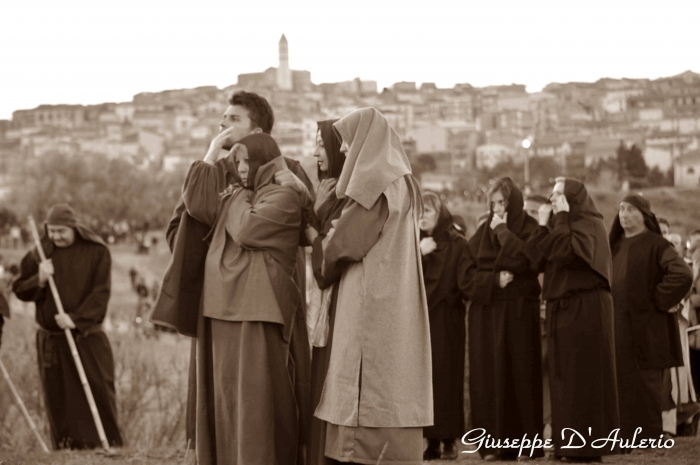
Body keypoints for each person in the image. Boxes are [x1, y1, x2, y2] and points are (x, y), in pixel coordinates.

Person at [150, 91, 314, 457]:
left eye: (233, 119)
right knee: (222, 392)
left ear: (257, 129)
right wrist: (210, 155)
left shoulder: (288, 170)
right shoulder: (215, 172)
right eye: (222, 118)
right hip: (221, 298)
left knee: (267, 390)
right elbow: (186, 220)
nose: (223, 124)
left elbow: (296, 224)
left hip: (266, 298)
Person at [311, 108, 432, 465]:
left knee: (367, 393)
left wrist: (321, 239)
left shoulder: (375, 182)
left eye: (348, 142)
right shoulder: (403, 180)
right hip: (394, 302)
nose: (344, 151)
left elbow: (342, 243)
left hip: (371, 305)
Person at [181, 133, 308, 464]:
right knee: (226, 403)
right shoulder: (241, 195)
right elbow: (196, 204)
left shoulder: (284, 196)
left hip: (258, 311)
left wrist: (234, 195)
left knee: (256, 405)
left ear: (267, 160)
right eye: (236, 162)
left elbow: (248, 229)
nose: (240, 169)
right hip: (222, 309)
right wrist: (210, 154)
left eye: (247, 161)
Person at [12, 204, 123, 450]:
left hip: (87, 339)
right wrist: (39, 279)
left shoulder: (97, 252)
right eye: (51, 231)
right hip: (52, 343)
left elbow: (100, 294)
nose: (56, 237)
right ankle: (65, 449)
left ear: (74, 228)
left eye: (61, 231)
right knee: (59, 399)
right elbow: (19, 288)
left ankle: (105, 446)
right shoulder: (40, 252)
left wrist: (75, 318)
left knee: (97, 393)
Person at [524, 178, 618, 463]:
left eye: (559, 195)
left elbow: (566, 253)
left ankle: (586, 447)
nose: (553, 200)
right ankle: (567, 445)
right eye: (551, 195)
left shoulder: (590, 224)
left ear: (573, 198)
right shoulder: (558, 224)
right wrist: (542, 224)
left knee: (582, 378)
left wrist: (561, 217)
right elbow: (533, 259)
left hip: (586, 307)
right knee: (563, 378)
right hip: (562, 308)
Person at [467, 177, 543, 462]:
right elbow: (465, 275)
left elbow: (526, 261)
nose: (498, 210)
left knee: (520, 377)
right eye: (494, 204)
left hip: (520, 315)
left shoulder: (530, 230)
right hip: (488, 315)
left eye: (503, 203)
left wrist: (501, 232)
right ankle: (493, 445)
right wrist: (492, 281)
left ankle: (526, 444)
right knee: (490, 379)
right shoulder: (481, 235)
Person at [609, 194, 692, 445]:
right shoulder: (616, 245)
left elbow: (682, 274)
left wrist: (658, 299)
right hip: (619, 325)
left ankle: (648, 438)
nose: (623, 214)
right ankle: (624, 437)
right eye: (621, 209)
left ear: (644, 215)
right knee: (621, 381)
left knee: (646, 383)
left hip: (647, 327)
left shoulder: (657, 244)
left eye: (630, 209)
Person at [304, 119, 348, 465]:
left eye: (322, 145)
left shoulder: (346, 198)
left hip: (336, 309)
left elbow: (329, 263)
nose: (316, 152)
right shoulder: (325, 193)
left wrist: (314, 229)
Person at [417, 191, 471, 461]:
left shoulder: (456, 243)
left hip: (447, 321)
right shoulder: (413, 243)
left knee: (447, 379)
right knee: (425, 380)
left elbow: (463, 281)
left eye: (427, 211)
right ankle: (430, 439)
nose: (422, 217)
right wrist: (418, 253)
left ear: (439, 214)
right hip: (421, 320)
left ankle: (449, 439)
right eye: (419, 211)